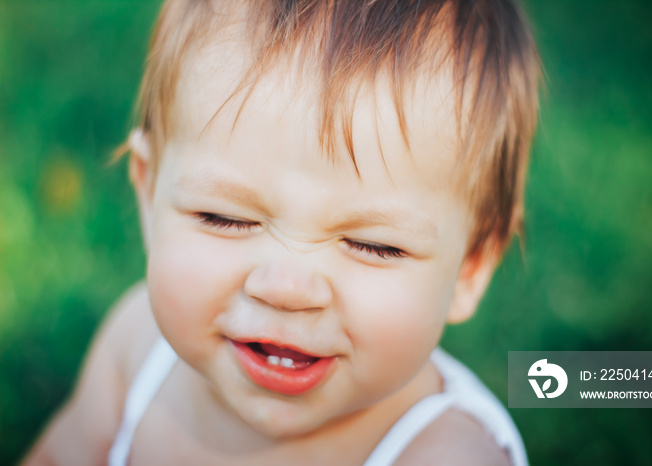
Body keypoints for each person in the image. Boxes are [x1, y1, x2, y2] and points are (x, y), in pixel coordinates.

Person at [22, 0, 539, 464]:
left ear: (471, 264)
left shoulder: (445, 455)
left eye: (373, 245)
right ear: (150, 193)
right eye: (225, 218)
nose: (287, 288)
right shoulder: (135, 347)